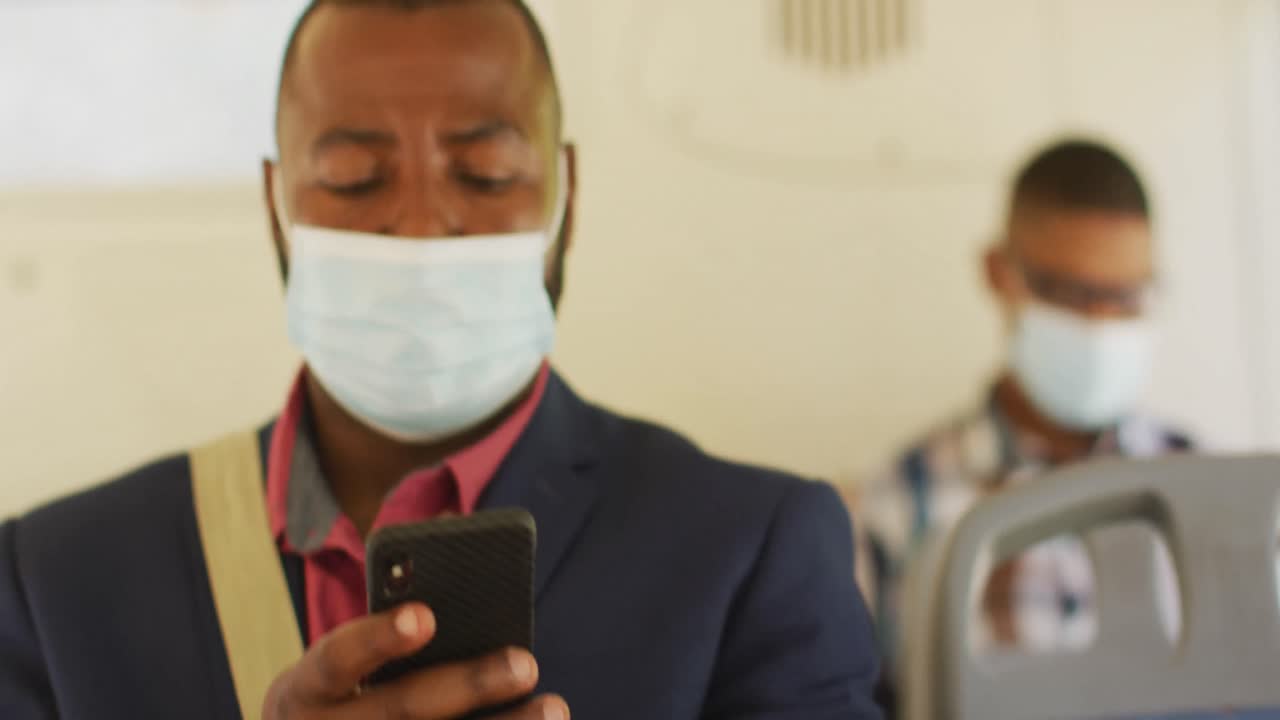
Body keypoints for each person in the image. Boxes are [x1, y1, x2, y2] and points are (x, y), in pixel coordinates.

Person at [0, 1, 883, 718]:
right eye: (353, 178)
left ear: (565, 199)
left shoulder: (747, 551)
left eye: (487, 174)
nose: (421, 225)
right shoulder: (55, 579)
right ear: (276, 208)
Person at [853, 139, 1192, 706]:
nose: (1102, 325)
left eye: (1127, 298)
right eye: (1072, 294)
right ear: (999, 273)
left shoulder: (1212, 492)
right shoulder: (891, 506)